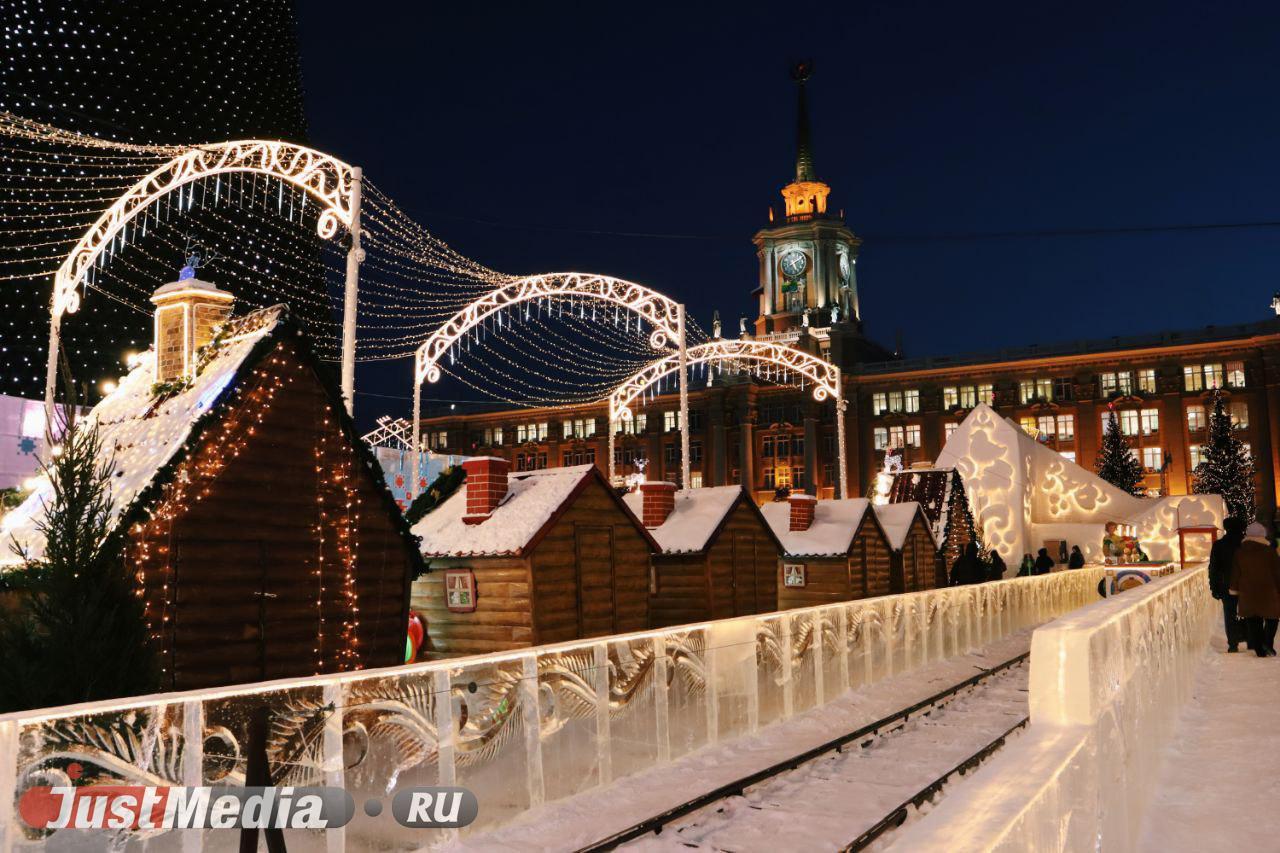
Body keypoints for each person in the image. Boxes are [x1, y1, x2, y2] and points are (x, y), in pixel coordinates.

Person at [1230, 522, 1280, 657]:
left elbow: (1236, 573)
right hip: (1268, 590)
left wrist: (1233, 589)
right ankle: (1268, 642)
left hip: (1247, 592)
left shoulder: (1240, 552)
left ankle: (1259, 648)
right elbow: (1277, 572)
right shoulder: (1270, 551)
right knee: (1273, 618)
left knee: (1253, 621)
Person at [1208, 517, 1247, 652]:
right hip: (1246, 585)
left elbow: (1213, 568)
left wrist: (1214, 587)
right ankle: (1250, 638)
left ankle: (1233, 643)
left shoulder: (1219, 545)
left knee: (1229, 613)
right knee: (1248, 611)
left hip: (1226, 585)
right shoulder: (1247, 543)